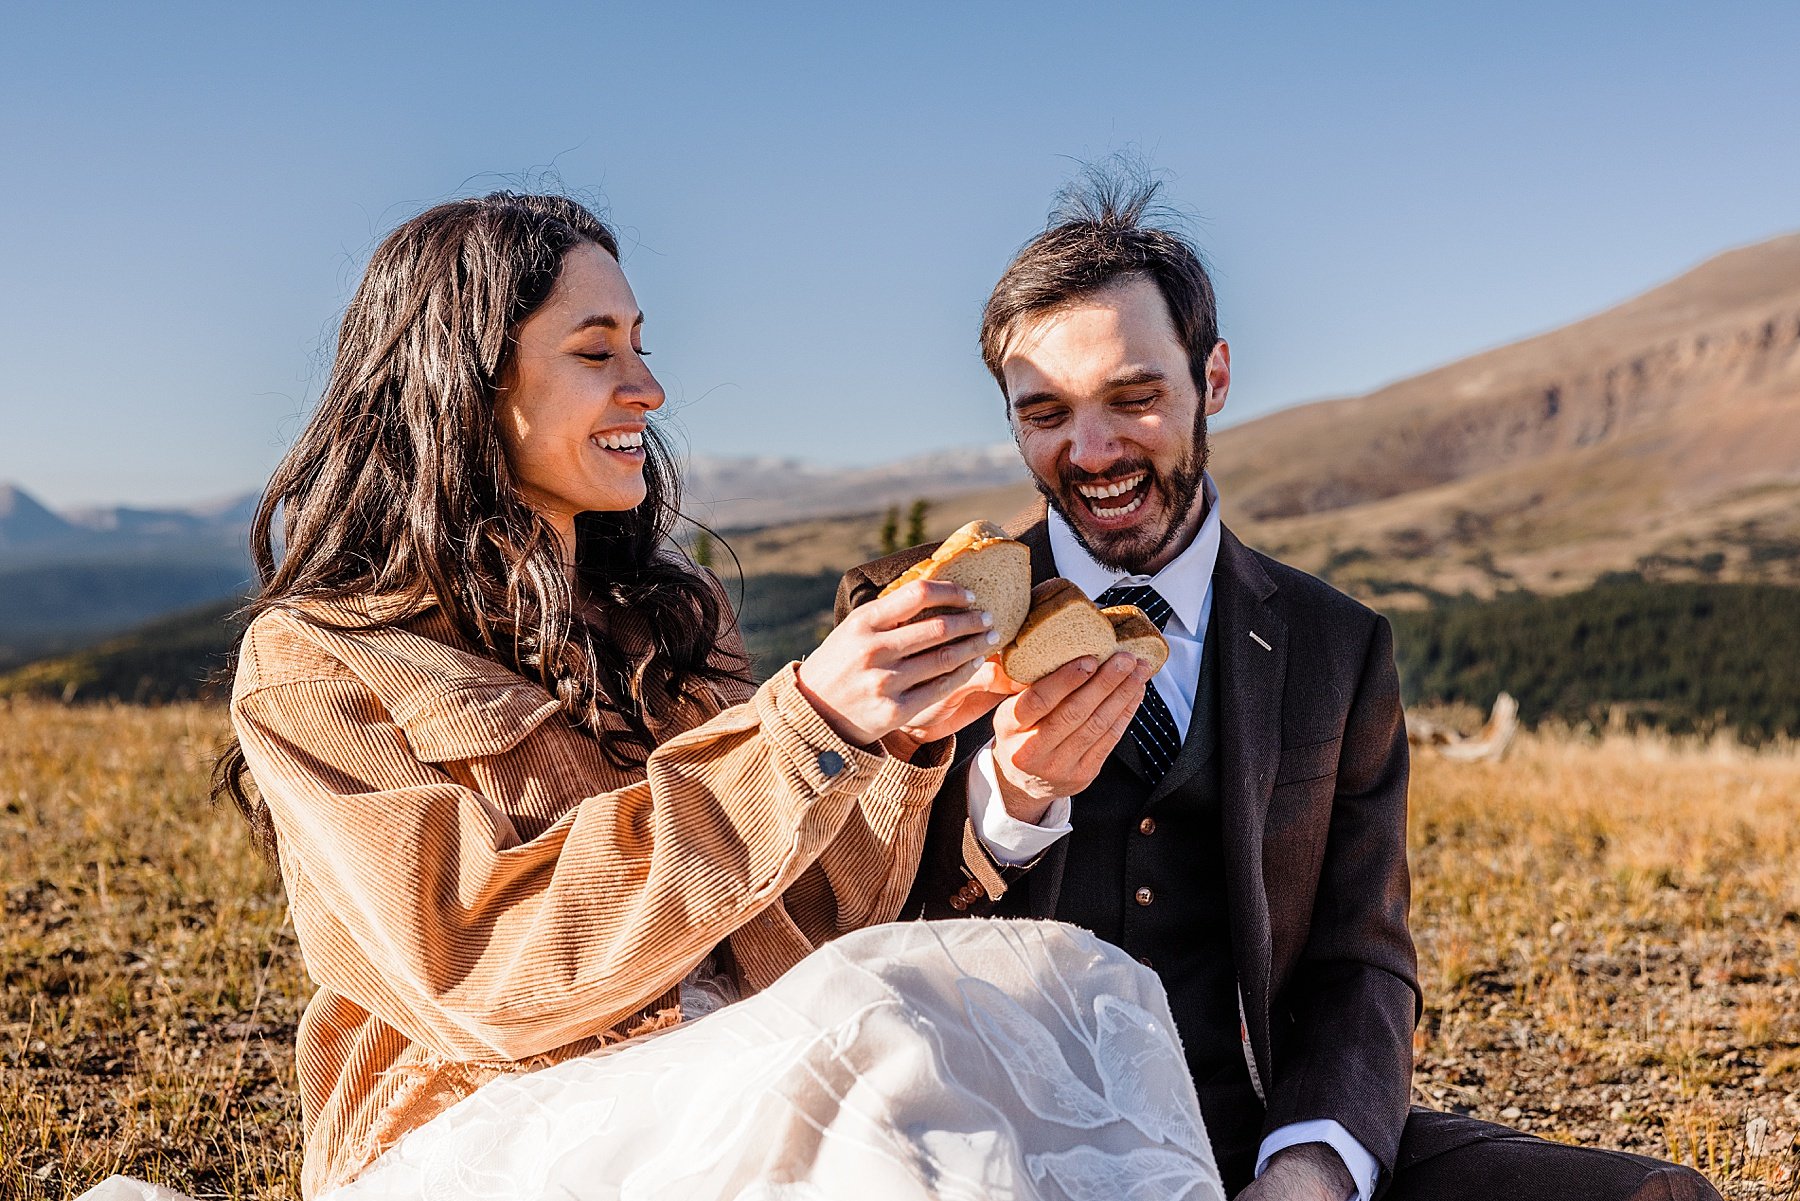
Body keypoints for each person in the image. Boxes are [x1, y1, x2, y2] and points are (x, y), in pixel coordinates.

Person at [140, 192, 1226, 1201]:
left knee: (1079, 991)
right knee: (883, 1054)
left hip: (734, 1076)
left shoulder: (672, 613)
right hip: (476, 1128)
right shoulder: (319, 662)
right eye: (595, 351)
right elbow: (477, 971)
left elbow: (784, 943)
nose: (647, 389)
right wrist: (806, 730)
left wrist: (914, 755)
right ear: (463, 382)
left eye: (641, 344)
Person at [836, 171, 1722, 1201]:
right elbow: (851, 944)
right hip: (1001, 1155)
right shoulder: (908, 617)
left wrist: (1309, 1169)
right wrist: (1006, 809)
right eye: (1046, 413)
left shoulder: (1336, 645)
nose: (1091, 451)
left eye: (1134, 397)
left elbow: (1362, 964)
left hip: (1257, 1141)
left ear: (1212, 378)